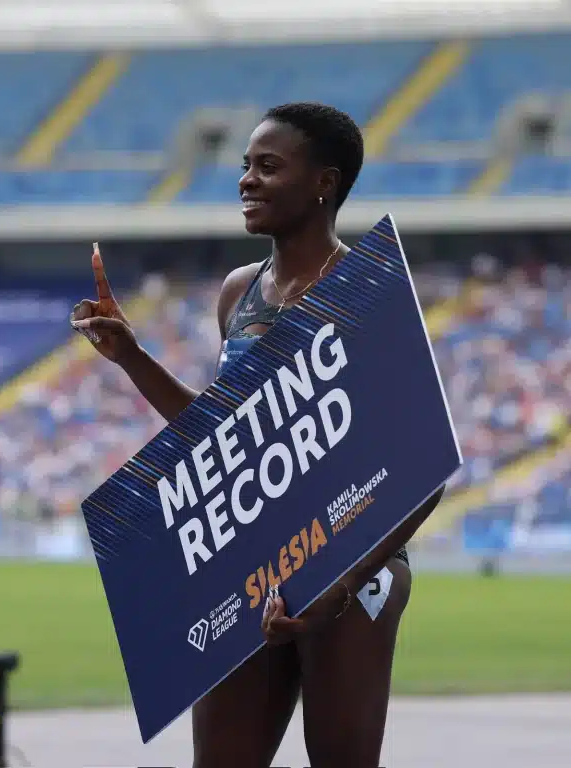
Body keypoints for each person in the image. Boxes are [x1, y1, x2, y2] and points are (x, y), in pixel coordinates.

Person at [71, 102, 445, 768]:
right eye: (246, 166)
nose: (247, 179)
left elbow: (424, 473)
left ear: (324, 182)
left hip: (355, 564)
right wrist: (131, 355)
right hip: (252, 564)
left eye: (269, 166)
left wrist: (336, 585)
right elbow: (220, 442)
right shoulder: (238, 293)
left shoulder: (369, 293)